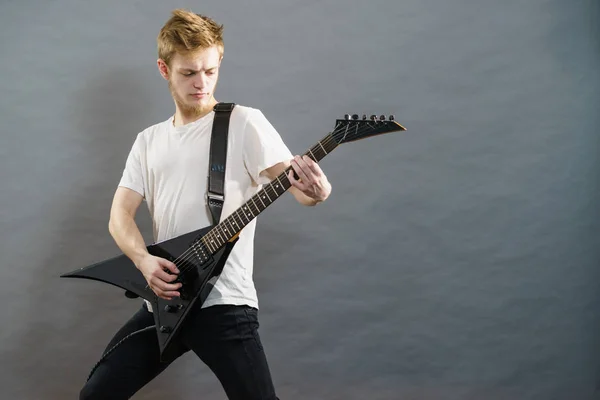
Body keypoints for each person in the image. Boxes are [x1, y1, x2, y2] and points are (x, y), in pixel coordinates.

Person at [79, 8, 332, 400]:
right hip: (166, 304)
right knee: (96, 394)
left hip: (224, 301)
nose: (202, 83)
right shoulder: (148, 141)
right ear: (164, 69)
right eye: (189, 73)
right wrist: (144, 262)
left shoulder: (245, 123)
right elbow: (119, 217)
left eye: (210, 71)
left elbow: (299, 189)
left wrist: (318, 190)